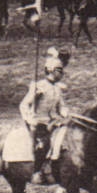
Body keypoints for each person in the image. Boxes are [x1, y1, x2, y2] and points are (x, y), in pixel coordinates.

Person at [19, 54, 69, 184]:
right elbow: (24, 105)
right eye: (59, 70)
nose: (62, 73)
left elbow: (62, 106)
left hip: (53, 122)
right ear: (51, 70)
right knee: (44, 143)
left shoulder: (58, 88)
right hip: (39, 122)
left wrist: (66, 113)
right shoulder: (38, 86)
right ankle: (36, 171)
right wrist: (30, 119)